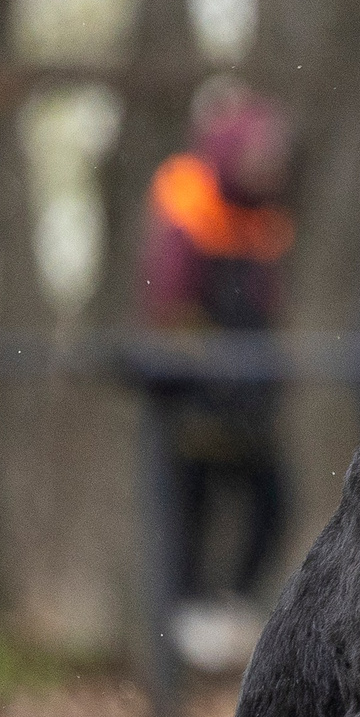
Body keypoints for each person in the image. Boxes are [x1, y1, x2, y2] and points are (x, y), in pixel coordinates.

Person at [138, 81, 294, 670]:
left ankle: (225, 611)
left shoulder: (264, 213)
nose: (270, 166)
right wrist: (206, 371)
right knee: (189, 506)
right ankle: (180, 634)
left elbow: (267, 303)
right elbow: (170, 301)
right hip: (198, 392)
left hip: (249, 392)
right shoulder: (188, 195)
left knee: (271, 502)